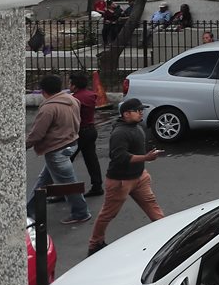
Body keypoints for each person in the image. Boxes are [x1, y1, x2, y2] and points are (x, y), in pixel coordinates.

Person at [87, 98, 165, 255]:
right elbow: (119, 157)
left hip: (139, 177)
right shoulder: (120, 133)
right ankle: (95, 243)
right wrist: (146, 158)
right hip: (120, 181)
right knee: (108, 213)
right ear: (126, 114)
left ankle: (167, 236)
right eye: (138, 110)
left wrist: (146, 159)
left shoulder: (136, 127)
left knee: (154, 209)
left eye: (141, 109)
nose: (141, 112)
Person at [26, 74, 91, 225]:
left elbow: (37, 133)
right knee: (44, 182)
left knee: (68, 185)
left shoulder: (49, 108)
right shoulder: (73, 100)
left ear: (43, 91)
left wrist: (24, 145)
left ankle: (81, 212)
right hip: (71, 144)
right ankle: (29, 211)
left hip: (56, 150)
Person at [68, 72, 103, 197]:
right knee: (91, 159)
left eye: (70, 83)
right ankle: (97, 185)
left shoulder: (74, 99)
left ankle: (62, 189)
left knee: (65, 161)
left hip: (79, 132)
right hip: (91, 129)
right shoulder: (90, 95)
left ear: (74, 85)